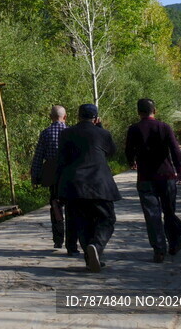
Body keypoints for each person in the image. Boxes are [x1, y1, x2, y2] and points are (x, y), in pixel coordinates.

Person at [54, 104, 121, 273]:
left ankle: (90, 259)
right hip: (99, 185)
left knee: (81, 223)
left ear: (78, 116)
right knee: (107, 219)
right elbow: (111, 152)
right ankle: (96, 247)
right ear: (96, 118)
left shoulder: (66, 133)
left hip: (74, 186)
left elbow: (61, 161)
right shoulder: (103, 134)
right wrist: (101, 128)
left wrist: (58, 191)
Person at [125, 98, 181, 263]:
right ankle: (174, 243)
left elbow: (129, 150)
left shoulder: (134, 129)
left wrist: (132, 161)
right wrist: (180, 170)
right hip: (166, 175)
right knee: (170, 212)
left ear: (139, 112)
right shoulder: (164, 127)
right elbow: (175, 149)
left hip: (145, 177)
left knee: (152, 215)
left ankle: (159, 250)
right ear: (155, 110)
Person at [30, 105, 78, 254]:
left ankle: (58, 239)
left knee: (56, 206)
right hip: (70, 175)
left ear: (51, 117)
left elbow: (38, 157)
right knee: (71, 208)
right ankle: (72, 243)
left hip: (53, 176)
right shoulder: (72, 133)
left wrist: (35, 177)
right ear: (65, 116)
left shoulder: (45, 133)